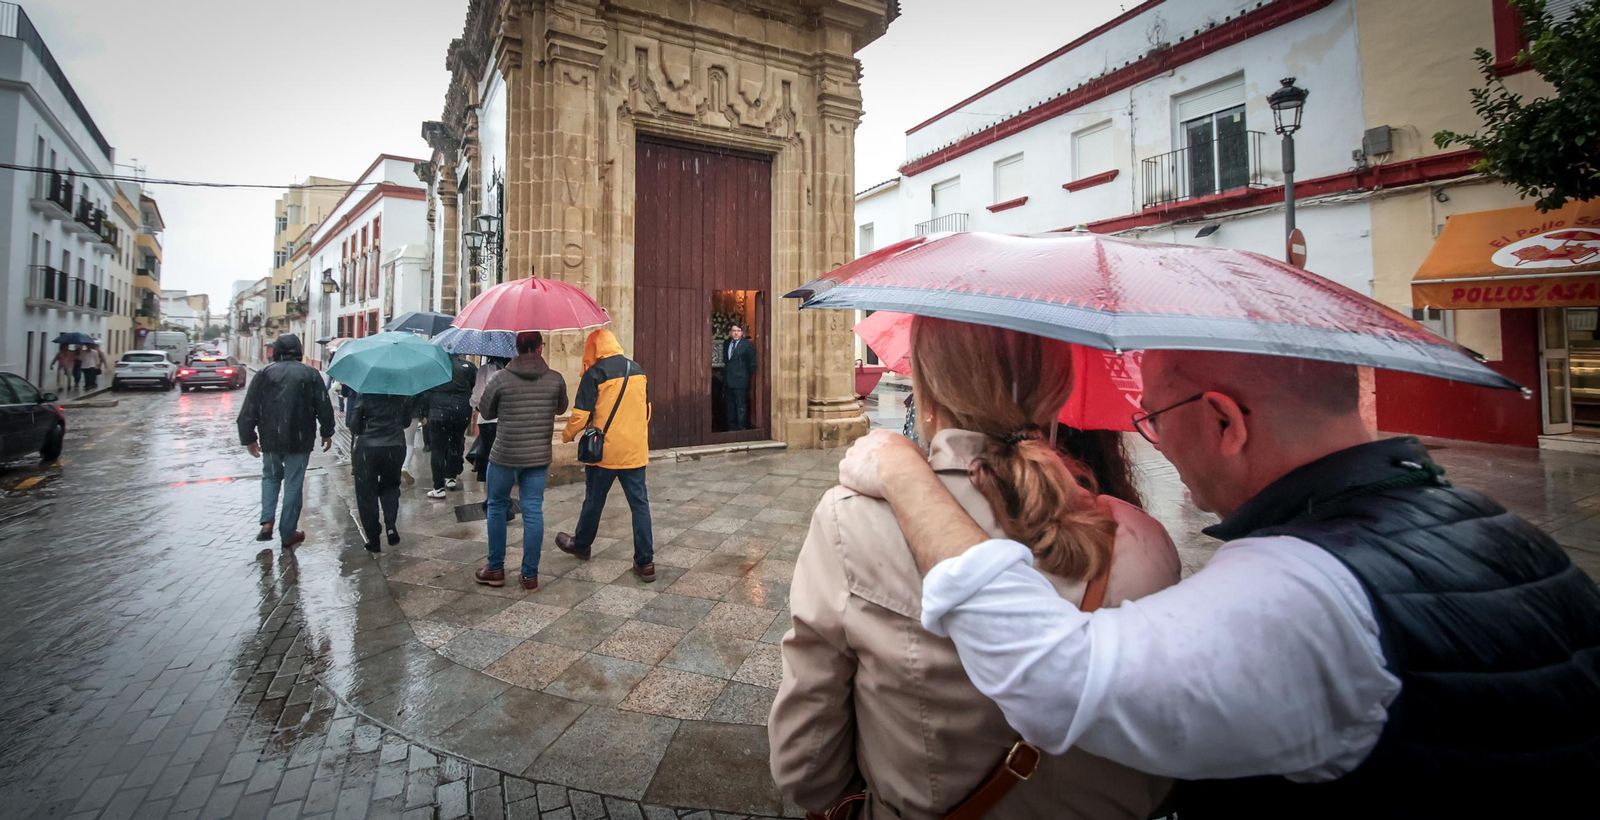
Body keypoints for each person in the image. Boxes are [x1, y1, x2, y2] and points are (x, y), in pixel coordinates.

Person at [836, 349, 1600, 819]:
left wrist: (906, 477)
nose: (1155, 440)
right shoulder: (1503, 530)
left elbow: (1052, 681)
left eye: (1154, 418)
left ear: (1226, 421)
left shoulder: (1305, 583)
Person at [769, 317, 1180, 820]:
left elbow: (805, 764)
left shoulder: (851, 521)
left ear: (926, 388)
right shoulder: (1142, 539)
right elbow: (1159, 762)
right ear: (1060, 389)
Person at [555, 329, 656, 582]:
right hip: (634, 451)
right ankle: (645, 562)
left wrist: (566, 436)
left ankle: (582, 544)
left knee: (594, 500)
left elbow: (580, 416)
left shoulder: (595, 374)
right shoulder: (637, 369)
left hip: (605, 453)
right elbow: (647, 410)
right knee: (640, 505)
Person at [475, 332, 567, 591]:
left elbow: (485, 411)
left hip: (505, 454)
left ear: (516, 348)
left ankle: (495, 569)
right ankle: (529, 575)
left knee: (496, 506)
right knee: (533, 511)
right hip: (537, 456)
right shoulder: (555, 379)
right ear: (540, 348)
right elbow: (561, 408)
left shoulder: (500, 378)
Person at [237, 334, 335, 549]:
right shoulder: (310, 374)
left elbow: (249, 408)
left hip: (271, 438)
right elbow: (324, 406)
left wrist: (249, 437)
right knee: (293, 483)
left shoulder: (264, 374)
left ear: (276, 351)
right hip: (300, 438)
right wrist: (327, 432)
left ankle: (267, 522)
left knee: (270, 477)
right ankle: (288, 531)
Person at [348, 392, 412, 552]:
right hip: (394, 446)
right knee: (391, 487)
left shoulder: (365, 393)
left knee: (366, 493)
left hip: (367, 449)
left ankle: (373, 539)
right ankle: (390, 526)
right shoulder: (401, 393)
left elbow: (354, 425)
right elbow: (406, 422)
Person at [424, 354, 477, 499]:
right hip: (461, 410)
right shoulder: (469, 367)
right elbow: (474, 386)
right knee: (457, 441)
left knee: (438, 448)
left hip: (438, 411)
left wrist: (425, 411)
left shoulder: (433, 367)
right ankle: (451, 476)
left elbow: (425, 391)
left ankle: (438, 488)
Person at [469, 356, 514, 519]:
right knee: (506, 462)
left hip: (487, 421)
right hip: (507, 421)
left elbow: (477, 397)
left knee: (490, 461)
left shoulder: (485, 371)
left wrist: (475, 405)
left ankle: (492, 499)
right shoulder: (512, 372)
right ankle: (505, 500)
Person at [722, 324, 757, 430]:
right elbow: (726, 361)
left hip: (741, 381)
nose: (736, 333)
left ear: (742, 333)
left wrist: (744, 376)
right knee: (730, 406)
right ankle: (731, 428)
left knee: (741, 406)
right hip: (728, 381)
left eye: (738, 331)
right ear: (730, 332)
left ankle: (741, 428)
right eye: (734, 331)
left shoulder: (747, 345)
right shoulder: (726, 344)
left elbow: (752, 363)